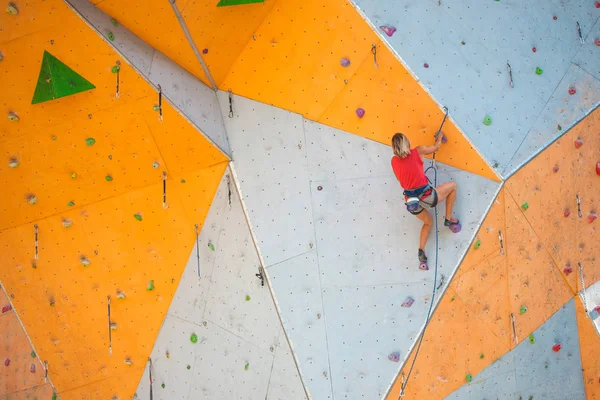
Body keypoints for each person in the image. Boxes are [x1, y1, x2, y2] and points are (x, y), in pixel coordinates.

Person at [391, 132, 459, 264]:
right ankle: (449, 219)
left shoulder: (394, 161)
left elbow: (399, 178)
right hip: (427, 196)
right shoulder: (419, 151)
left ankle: (421, 252)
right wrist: (439, 137)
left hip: (412, 202)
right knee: (453, 186)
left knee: (428, 223)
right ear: (407, 142)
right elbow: (436, 147)